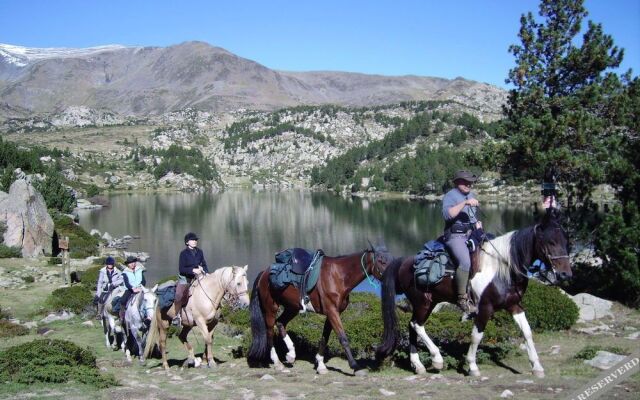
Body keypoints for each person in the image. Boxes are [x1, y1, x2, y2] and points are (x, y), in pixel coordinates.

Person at [442, 170, 482, 316]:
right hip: (455, 235)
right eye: (465, 182)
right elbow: (448, 215)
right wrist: (465, 203)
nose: (468, 184)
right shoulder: (450, 196)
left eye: (470, 182)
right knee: (465, 262)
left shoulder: (471, 195)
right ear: (457, 182)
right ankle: (461, 298)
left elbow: (473, 216)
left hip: (471, 232)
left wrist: (478, 225)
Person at [173, 232, 209, 326]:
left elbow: (204, 264)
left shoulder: (200, 251)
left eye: (195, 240)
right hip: (186, 278)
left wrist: (206, 272)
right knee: (179, 294)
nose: (195, 241)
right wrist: (193, 270)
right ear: (187, 242)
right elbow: (181, 269)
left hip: (198, 277)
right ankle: (176, 316)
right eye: (192, 240)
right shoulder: (183, 254)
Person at [119, 256, 146, 321]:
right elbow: (127, 283)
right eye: (131, 263)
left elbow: (143, 281)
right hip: (130, 289)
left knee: (149, 298)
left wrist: (141, 287)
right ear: (128, 264)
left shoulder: (139, 270)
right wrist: (133, 289)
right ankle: (122, 315)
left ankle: (148, 315)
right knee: (123, 300)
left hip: (140, 288)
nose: (132, 264)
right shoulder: (125, 272)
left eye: (134, 262)